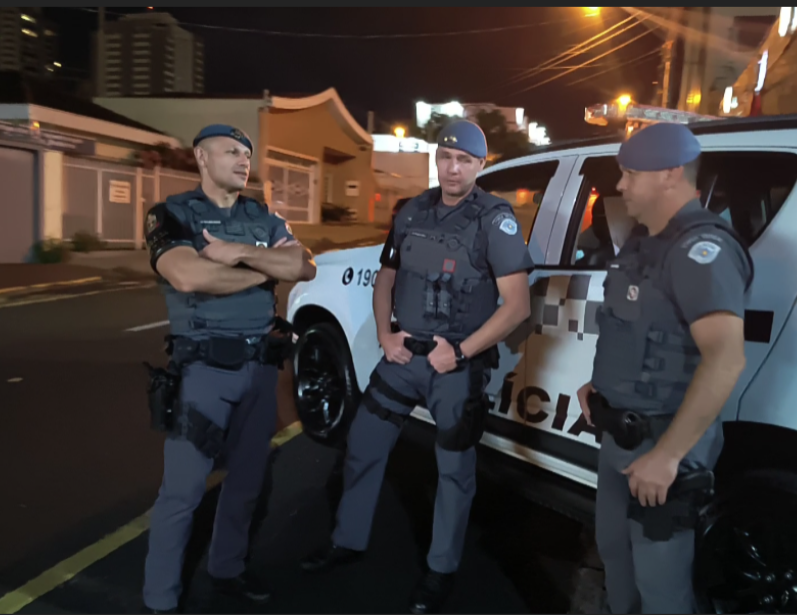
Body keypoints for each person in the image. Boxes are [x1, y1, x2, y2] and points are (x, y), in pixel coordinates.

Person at [298, 119, 534, 614]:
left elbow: (516, 306)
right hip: (404, 358)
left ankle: (440, 572)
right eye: (446, 157)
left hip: (455, 367)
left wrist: (463, 351)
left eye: (464, 160)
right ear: (436, 159)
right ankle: (347, 541)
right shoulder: (412, 211)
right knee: (362, 446)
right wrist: (385, 334)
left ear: (480, 165)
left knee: (454, 474)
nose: (452, 168)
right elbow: (386, 278)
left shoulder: (495, 219)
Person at [575, 123, 753, 614]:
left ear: (671, 174)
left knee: (662, 586)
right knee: (616, 558)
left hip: (661, 445)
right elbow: (641, 330)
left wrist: (670, 456)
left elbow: (726, 357)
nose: (621, 185)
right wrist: (603, 385)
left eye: (631, 174)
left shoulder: (701, 250)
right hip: (619, 437)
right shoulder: (643, 242)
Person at [141, 124, 316, 614]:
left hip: (260, 371)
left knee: (246, 483)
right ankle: (159, 600)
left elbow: (304, 265)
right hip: (203, 374)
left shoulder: (261, 215)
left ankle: (227, 570)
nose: (244, 160)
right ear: (201, 157)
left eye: (247, 153)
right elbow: (187, 273)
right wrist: (267, 266)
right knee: (182, 493)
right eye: (231, 152)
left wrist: (239, 254)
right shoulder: (172, 214)